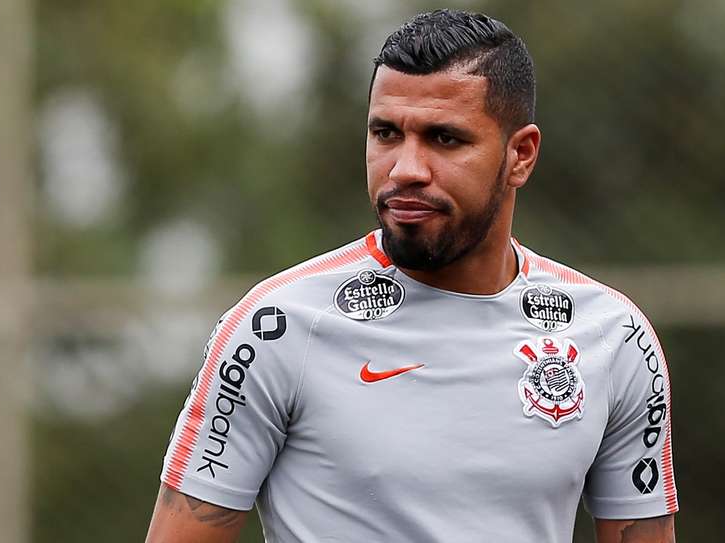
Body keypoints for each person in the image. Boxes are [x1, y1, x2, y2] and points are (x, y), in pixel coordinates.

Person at [146, 9, 677, 543]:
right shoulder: (275, 328)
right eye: (386, 133)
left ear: (521, 155)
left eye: (444, 139)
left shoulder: (615, 337)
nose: (405, 169)